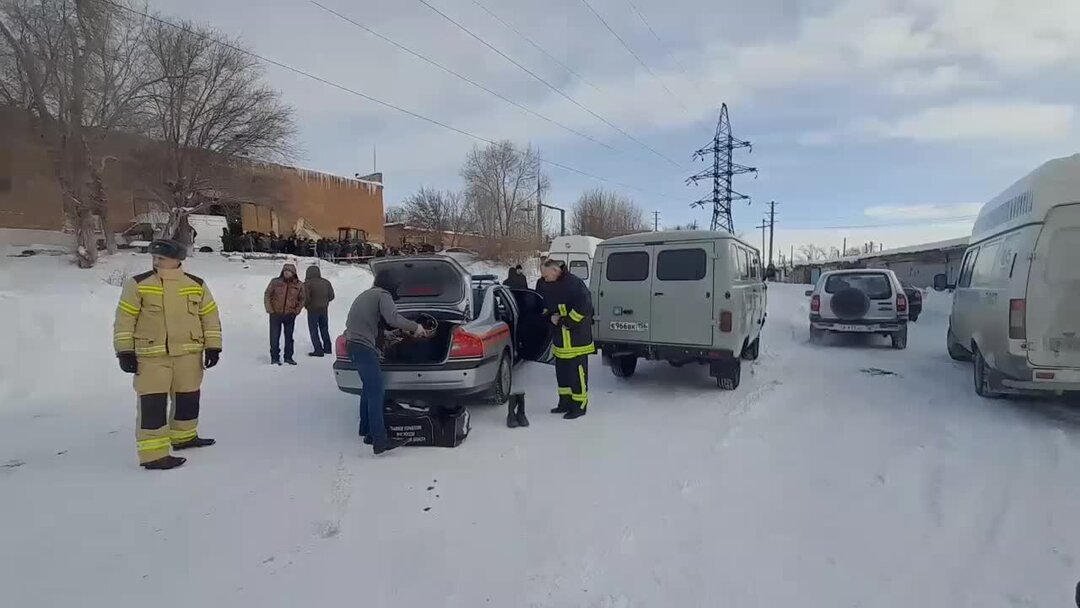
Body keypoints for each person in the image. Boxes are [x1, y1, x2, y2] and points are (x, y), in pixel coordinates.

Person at [112, 239, 222, 470]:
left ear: (177, 259)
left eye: (161, 258)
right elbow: (124, 319)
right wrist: (125, 351)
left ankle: (184, 437)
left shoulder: (196, 284)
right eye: (154, 257)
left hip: (188, 354)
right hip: (152, 356)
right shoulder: (139, 284)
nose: (156, 261)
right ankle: (153, 455)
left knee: (188, 398)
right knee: (153, 403)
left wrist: (213, 346)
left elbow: (209, 317)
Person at [345, 270, 431, 454]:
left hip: (353, 345)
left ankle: (367, 431)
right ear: (390, 285)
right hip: (364, 347)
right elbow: (393, 318)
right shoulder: (383, 294)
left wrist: (389, 335)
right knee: (377, 392)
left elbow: (370, 324)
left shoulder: (367, 295)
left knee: (368, 389)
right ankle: (380, 440)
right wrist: (415, 326)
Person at [540, 258, 594, 419]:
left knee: (577, 375)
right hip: (561, 341)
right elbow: (547, 306)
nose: (545, 279)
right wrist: (549, 316)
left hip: (577, 340)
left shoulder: (574, 284)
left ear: (555, 270)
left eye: (546, 276)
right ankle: (564, 403)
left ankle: (579, 406)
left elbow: (584, 307)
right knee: (562, 374)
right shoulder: (550, 285)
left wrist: (565, 321)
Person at [264, 262, 305, 365]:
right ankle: (275, 358)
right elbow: (267, 294)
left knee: (289, 337)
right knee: (274, 337)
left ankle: (288, 357)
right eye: (285, 271)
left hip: (290, 315)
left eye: (289, 271)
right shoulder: (275, 282)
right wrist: (269, 309)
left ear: (293, 273)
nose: (286, 273)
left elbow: (302, 299)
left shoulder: (299, 285)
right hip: (275, 314)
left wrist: (297, 310)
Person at [303, 265, 336, 357]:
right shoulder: (326, 282)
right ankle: (328, 348)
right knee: (324, 328)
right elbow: (332, 296)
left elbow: (306, 298)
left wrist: (306, 305)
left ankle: (318, 350)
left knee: (313, 330)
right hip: (324, 309)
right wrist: (325, 302)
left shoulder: (307, 284)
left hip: (312, 309)